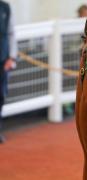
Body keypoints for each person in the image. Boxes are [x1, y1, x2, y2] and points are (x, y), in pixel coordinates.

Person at [0, 0, 17, 144]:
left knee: (0, 95)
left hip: (3, 60)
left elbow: (11, 33)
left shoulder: (5, 8)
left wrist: (11, 57)